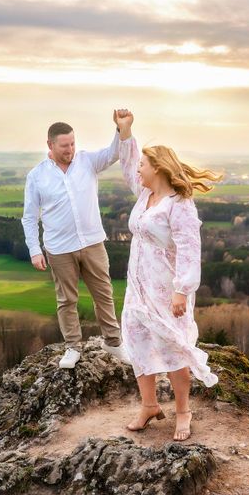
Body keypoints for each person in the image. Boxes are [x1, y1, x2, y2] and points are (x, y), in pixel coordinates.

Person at [113, 108, 223, 441]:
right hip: (138, 285)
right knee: (135, 338)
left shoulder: (180, 204)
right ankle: (149, 405)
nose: (138, 170)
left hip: (166, 288)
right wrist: (126, 132)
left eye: (143, 165)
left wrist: (181, 290)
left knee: (174, 346)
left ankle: (183, 412)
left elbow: (190, 248)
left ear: (158, 168)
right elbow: (128, 163)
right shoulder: (146, 194)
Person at [21, 121, 129, 368]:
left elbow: (113, 152)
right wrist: (34, 250)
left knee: (104, 294)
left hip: (92, 242)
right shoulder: (37, 176)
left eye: (72, 143)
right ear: (50, 144)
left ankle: (113, 342)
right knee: (66, 300)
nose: (70, 149)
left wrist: (119, 129)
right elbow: (29, 216)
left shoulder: (86, 161)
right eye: (64, 145)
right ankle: (72, 347)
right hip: (59, 248)